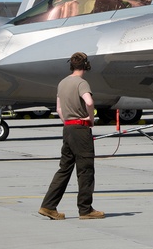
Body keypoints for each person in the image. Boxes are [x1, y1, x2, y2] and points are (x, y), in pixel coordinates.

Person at [38, 51, 105, 220]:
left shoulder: (62, 83)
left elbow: (59, 108)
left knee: (64, 168)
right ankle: (85, 209)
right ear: (86, 66)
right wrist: (90, 118)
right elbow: (89, 102)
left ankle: (48, 205)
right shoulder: (81, 83)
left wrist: (67, 120)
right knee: (85, 170)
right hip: (80, 130)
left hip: (67, 128)